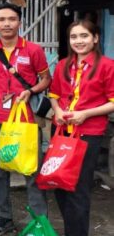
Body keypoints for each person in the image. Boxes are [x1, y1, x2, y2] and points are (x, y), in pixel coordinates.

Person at [0, 3, 51, 235]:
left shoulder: (33, 49)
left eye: (12, 19)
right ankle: (4, 217)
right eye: (2, 19)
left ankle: (39, 221)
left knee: (31, 171)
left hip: (27, 120)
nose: (7, 24)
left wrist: (31, 91)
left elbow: (46, 80)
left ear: (20, 22)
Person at [48, 20, 114, 235]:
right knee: (57, 183)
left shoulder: (107, 66)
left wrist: (85, 114)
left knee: (77, 189)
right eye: (74, 37)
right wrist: (57, 111)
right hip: (61, 132)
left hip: (88, 134)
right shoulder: (62, 65)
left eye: (84, 36)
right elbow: (54, 95)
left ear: (95, 38)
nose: (79, 41)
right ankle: (72, 230)